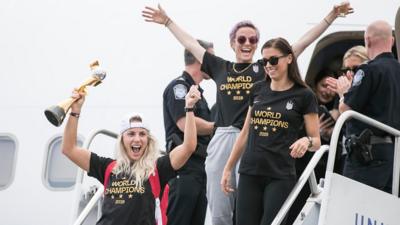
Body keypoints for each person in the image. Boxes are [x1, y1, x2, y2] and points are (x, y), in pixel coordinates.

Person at [142, 3, 352, 225]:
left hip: (253, 141)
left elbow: (301, 43)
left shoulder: (266, 66)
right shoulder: (221, 67)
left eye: (253, 40)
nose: (247, 43)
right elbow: (190, 44)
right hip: (223, 139)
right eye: (242, 39)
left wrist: (331, 16)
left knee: (247, 211)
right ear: (232, 43)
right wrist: (167, 22)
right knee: (220, 208)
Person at [61, 85, 201, 225]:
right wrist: (75, 111)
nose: (137, 139)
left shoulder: (158, 168)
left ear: (148, 140)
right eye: (131, 134)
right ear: (122, 140)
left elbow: (189, 146)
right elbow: (69, 149)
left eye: (142, 134)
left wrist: (189, 108)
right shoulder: (108, 167)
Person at [221, 37, 321, 225]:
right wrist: (227, 168)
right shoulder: (258, 89)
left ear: (289, 58)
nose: (268, 65)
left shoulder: (304, 95)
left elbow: (316, 141)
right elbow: (245, 133)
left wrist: (305, 141)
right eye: (265, 61)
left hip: (280, 174)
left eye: (273, 60)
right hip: (250, 171)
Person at [338, 20, 400, 194]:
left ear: (368, 41)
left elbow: (346, 109)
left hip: (366, 155)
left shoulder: (369, 70)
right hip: (393, 156)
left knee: (353, 209)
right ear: (392, 41)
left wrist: (343, 93)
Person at [162, 40, 214, 225]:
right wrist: (217, 127)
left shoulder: (198, 92)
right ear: (201, 59)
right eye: (210, 57)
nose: (214, 63)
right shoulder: (180, 87)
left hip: (200, 168)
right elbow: (184, 123)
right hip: (183, 169)